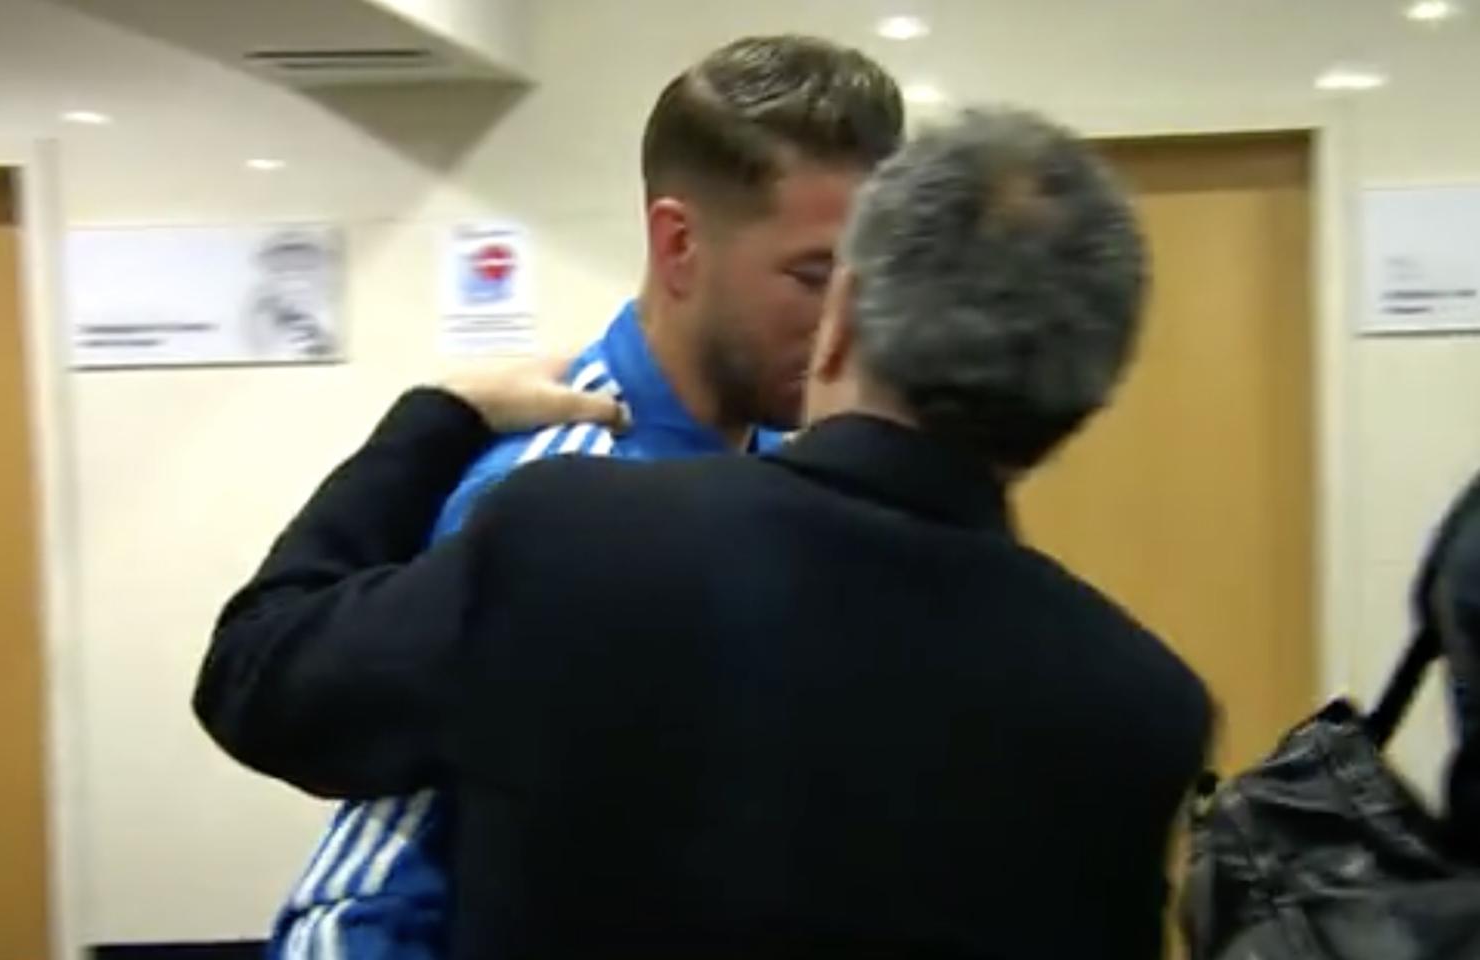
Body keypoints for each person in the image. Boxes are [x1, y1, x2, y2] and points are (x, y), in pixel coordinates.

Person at [197, 107, 1213, 959]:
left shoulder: (574, 540)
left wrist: (436, 417)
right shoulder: (1136, 714)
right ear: (1084, 400)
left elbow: (258, 681)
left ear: (846, 310)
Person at [202, 35, 906, 960]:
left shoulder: (791, 468)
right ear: (679, 243)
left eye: (864, 282)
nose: (842, 326)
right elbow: (366, 879)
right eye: (812, 278)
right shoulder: (553, 496)